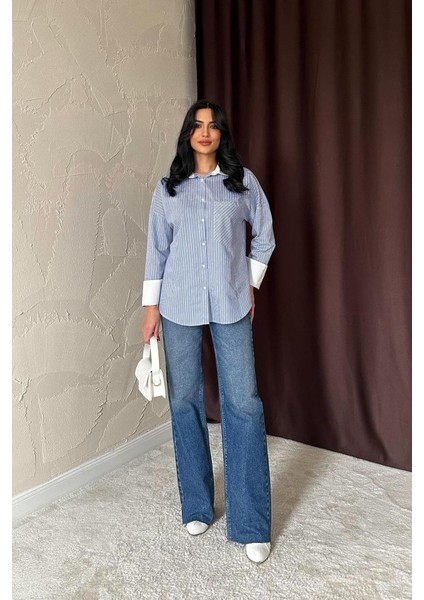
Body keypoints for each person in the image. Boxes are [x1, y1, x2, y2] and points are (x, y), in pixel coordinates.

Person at [141, 99, 276, 564]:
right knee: (184, 402)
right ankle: (197, 506)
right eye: (197, 125)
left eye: (213, 125)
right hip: (177, 304)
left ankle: (251, 524)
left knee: (244, 404)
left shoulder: (242, 183)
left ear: (221, 134)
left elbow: (265, 236)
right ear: (188, 134)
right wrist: (150, 308)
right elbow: (157, 250)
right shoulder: (168, 189)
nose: (205, 132)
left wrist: (250, 281)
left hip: (231, 302)